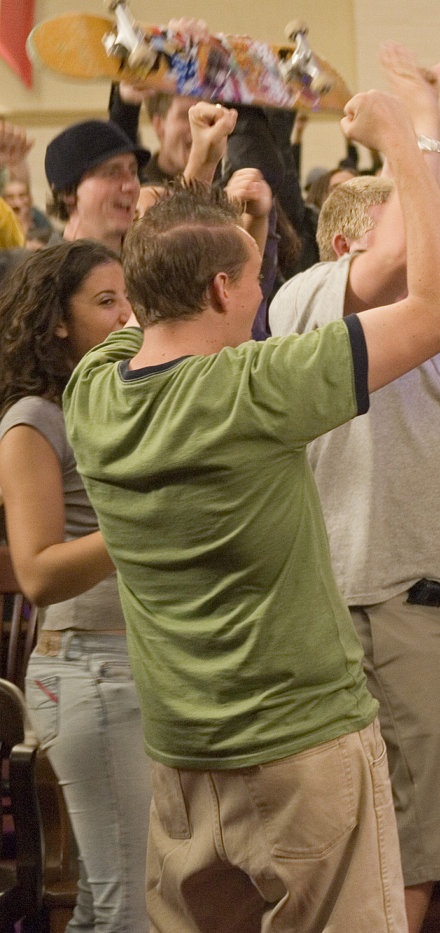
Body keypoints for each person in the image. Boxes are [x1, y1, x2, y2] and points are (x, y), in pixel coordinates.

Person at [62, 88, 440, 931]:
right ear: (221, 288)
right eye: (253, 277)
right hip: (300, 746)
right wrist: (406, 144)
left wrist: (206, 176)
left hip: (182, 755)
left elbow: (151, 291)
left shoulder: (93, 389)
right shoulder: (255, 387)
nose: (261, 297)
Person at [267, 30, 440, 931]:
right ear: (348, 237)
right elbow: (393, 254)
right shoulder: (316, 294)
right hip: (380, 601)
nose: (433, 229)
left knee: (420, 831)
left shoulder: (424, 300)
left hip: (425, 597)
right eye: (413, 209)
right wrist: (405, 138)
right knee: (405, 835)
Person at [0, 241, 145, 931]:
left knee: (105, 902)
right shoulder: (34, 417)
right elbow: (36, 571)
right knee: (129, 905)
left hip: (131, 662)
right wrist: (150, 520)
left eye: (129, 298)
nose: (127, 315)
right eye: (106, 301)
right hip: (90, 667)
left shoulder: (107, 402)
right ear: (58, 320)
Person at [44, 120, 149, 252]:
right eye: (112, 173)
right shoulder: (48, 266)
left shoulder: (148, 260)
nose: (130, 186)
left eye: (133, 172)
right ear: (68, 193)